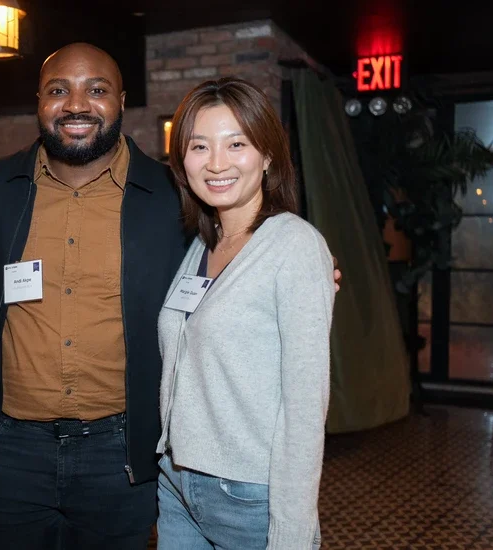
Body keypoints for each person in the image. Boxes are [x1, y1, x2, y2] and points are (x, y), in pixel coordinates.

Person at [0, 44, 341, 549]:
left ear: (121, 101)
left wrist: (309, 273)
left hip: (121, 456)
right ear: (38, 101)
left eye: (96, 90)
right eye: (58, 90)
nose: (76, 104)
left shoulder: (170, 199)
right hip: (12, 454)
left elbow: (259, 272)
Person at [155, 77, 333, 549]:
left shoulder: (295, 245)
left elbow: (305, 407)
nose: (216, 163)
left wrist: (292, 533)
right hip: (176, 483)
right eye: (199, 146)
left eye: (237, 143)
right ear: (182, 160)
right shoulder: (202, 242)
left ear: (268, 155)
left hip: (250, 495)